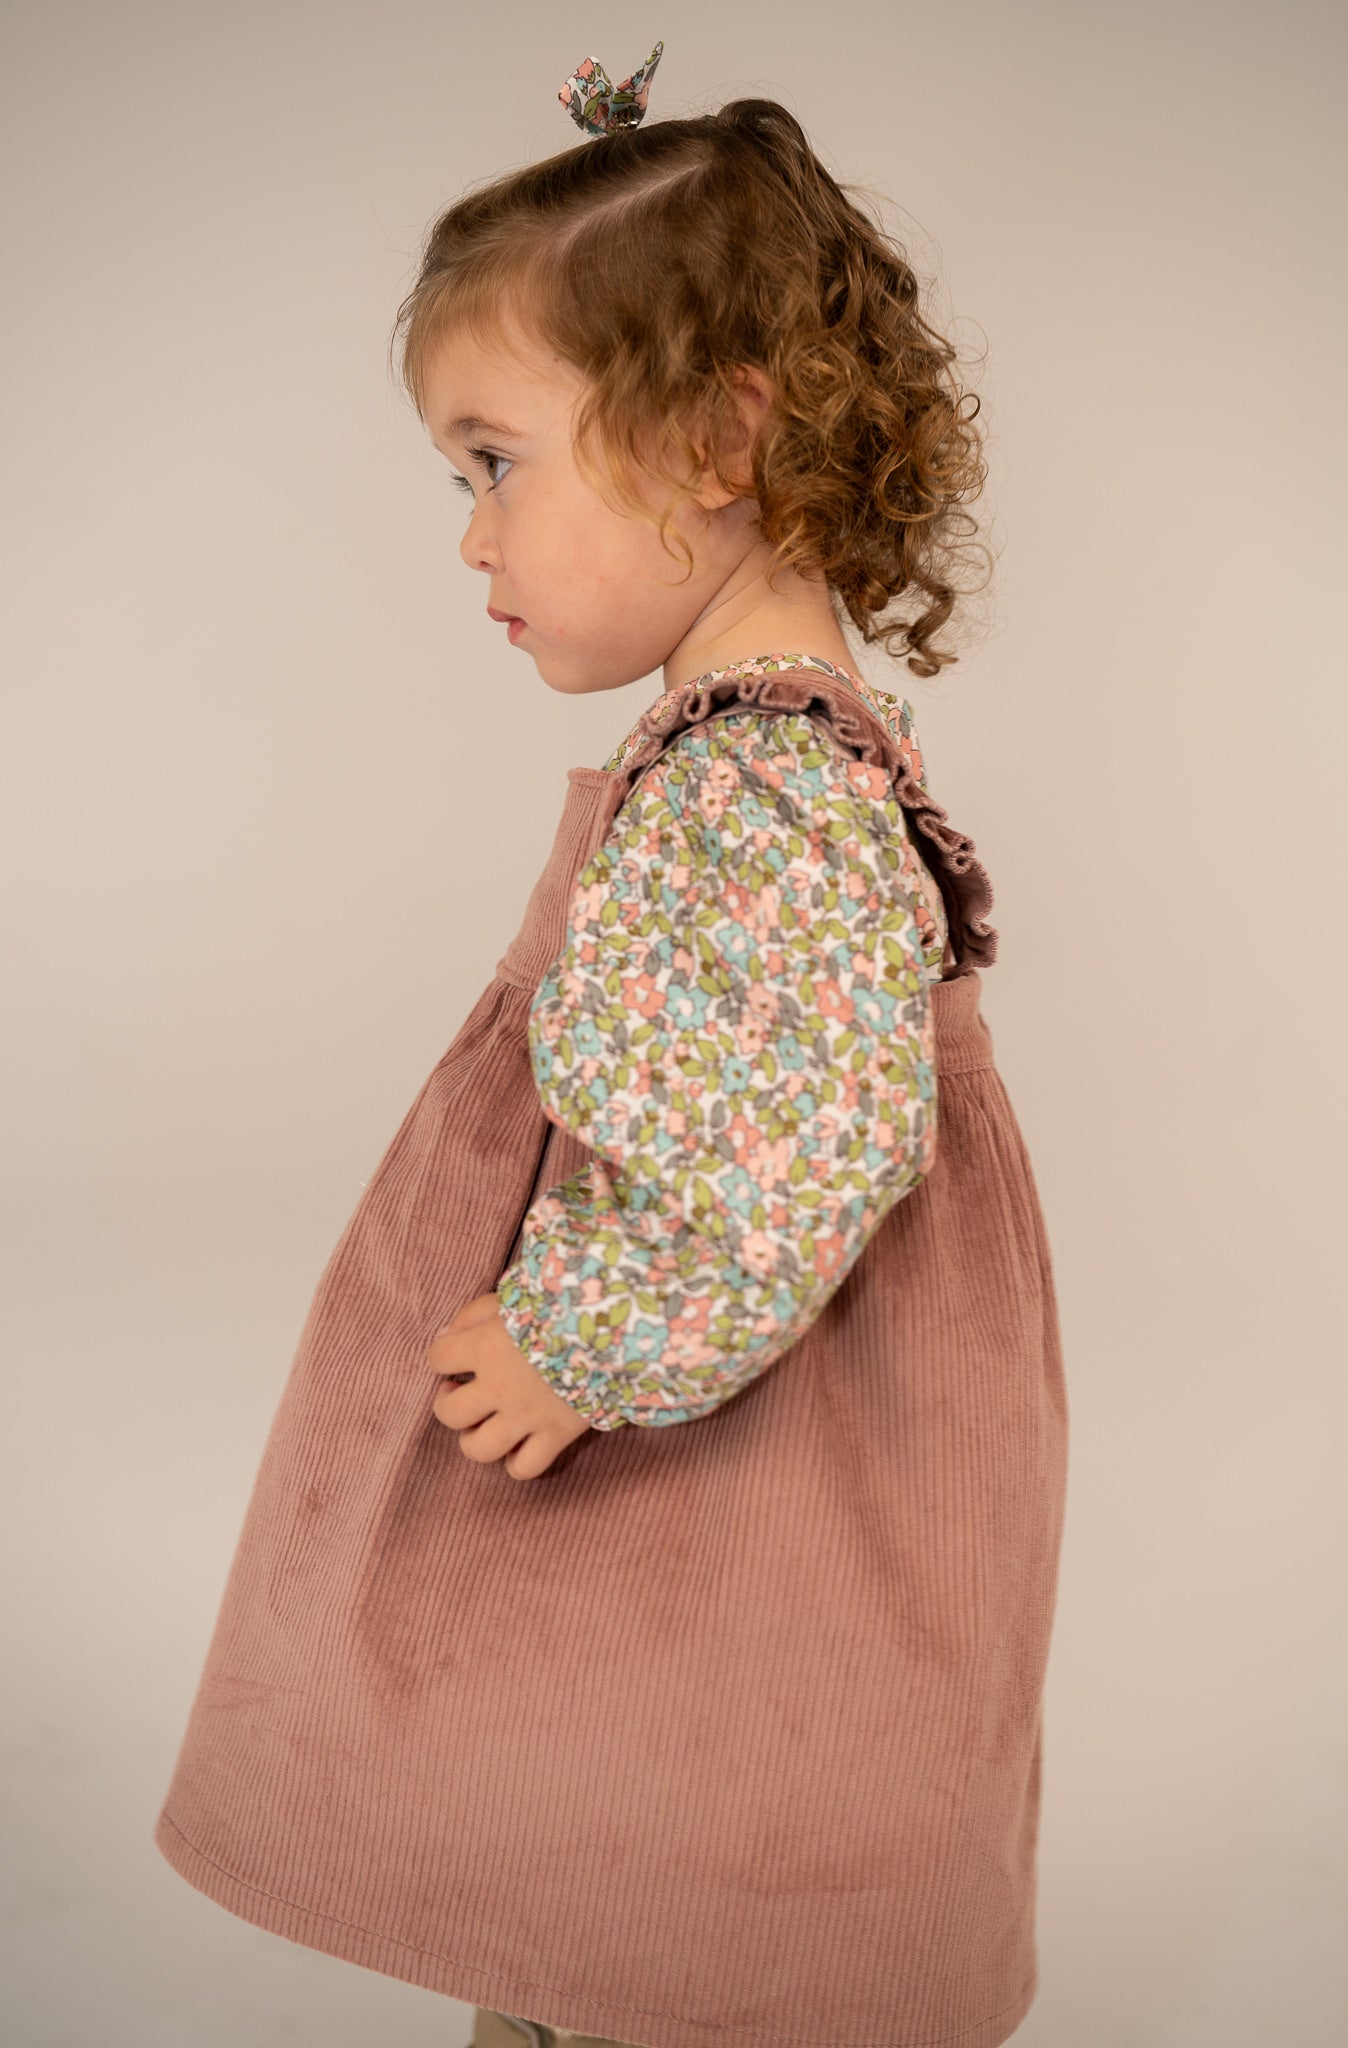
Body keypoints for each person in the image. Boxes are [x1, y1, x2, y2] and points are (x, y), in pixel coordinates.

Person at [153, 42, 1068, 2048]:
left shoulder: (756, 779)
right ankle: (600, 1973)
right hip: (726, 1373)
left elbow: (812, 1146)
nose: (471, 538)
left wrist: (582, 1338)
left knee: (663, 1778)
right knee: (628, 1777)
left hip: (721, 1405)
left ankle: (633, 1986)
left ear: (714, 436)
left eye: (496, 462)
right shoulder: (750, 749)